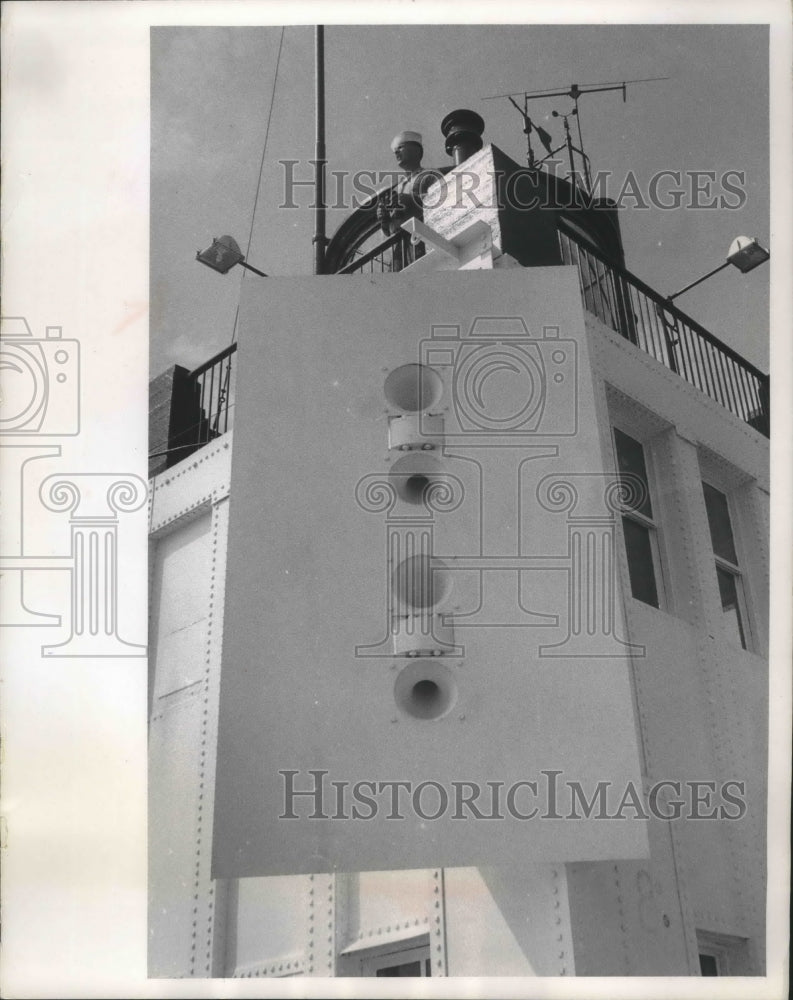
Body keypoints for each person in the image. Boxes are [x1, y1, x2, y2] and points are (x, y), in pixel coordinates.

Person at [376, 131, 436, 269]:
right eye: (395, 151)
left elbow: (439, 205)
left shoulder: (430, 176)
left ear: (416, 150)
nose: (396, 153)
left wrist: (408, 202)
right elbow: (390, 229)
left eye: (400, 148)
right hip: (400, 245)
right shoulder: (396, 188)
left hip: (421, 239)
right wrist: (384, 219)